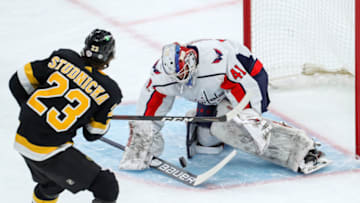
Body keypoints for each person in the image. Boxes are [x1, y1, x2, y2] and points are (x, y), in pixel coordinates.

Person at [119, 39, 331, 174]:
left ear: (191, 62)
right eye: (176, 77)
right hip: (210, 92)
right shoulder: (161, 75)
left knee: (231, 128)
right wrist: (142, 141)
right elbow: (149, 110)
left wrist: (250, 117)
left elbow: (244, 88)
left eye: (183, 75)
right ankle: (210, 119)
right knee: (207, 142)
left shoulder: (216, 62)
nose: (179, 81)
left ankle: (300, 148)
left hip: (250, 79)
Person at [9, 29, 122, 203]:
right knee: (106, 186)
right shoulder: (109, 91)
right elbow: (93, 133)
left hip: (23, 137)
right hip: (48, 150)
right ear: (109, 56)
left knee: (52, 185)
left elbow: (17, 80)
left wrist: (34, 112)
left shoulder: (63, 57)